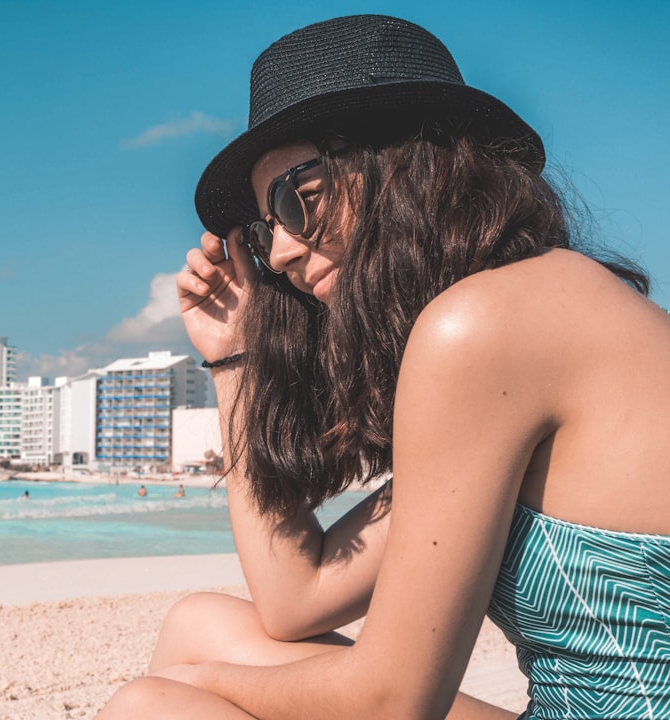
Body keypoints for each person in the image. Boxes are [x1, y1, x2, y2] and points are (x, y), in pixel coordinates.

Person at [98, 14, 670, 720]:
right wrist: (234, 361)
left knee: (151, 706)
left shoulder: (484, 325)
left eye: (294, 201)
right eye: (262, 228)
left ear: (402, 161)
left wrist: (199, 683)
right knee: (200, 625)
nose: (276, 254)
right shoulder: (532, 310)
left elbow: (391, 704)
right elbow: (294, 599)